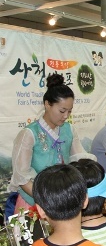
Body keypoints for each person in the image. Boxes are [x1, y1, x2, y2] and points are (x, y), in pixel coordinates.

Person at [9, 73, 96, 212]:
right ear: (47, 104)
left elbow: (79, 159)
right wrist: (48, 201)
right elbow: (22, 178)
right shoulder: (29, 134)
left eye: (69, 111)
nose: (66, 116)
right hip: (34, 203)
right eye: (62, 111)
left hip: (61, 202)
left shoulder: (69, 129)